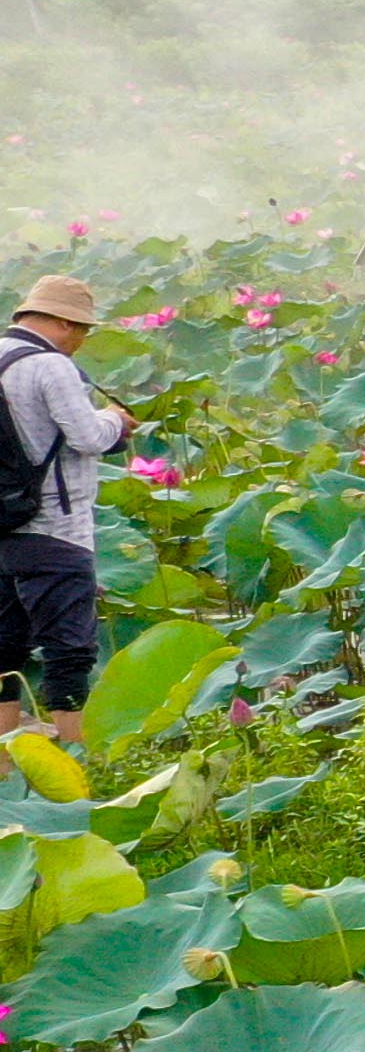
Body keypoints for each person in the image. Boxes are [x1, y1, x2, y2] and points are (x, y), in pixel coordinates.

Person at [0, 273, 124, 732]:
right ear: (64, 323)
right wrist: (113, 419)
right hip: (55, 530)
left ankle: (4, 770)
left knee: (4, 649)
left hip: (3, 529)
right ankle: (75, 769)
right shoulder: (51, 366)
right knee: (69, 650)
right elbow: (88, 437)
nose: (82, 341)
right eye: (83, 330)